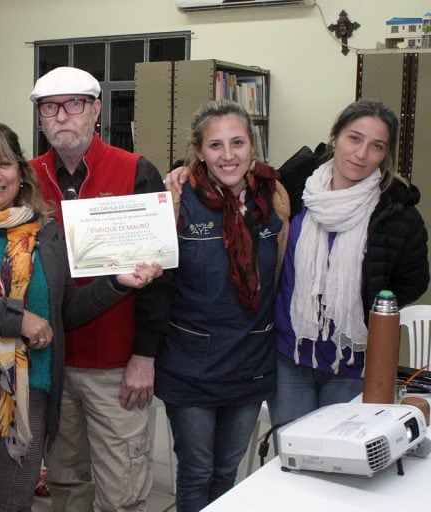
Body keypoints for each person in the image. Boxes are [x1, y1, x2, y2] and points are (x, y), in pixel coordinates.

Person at [0, 66, 170, 511]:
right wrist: (20, 319)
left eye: (74, 104)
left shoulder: (45, 225)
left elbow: (66, 306)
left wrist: (119, 286)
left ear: (96, 111)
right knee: (42, 488)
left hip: (51, 384)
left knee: (88, 493)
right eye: (51, 107)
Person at [155, 100, 289, 512]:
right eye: (215, 145)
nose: (228, 155)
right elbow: (157, 281)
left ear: (254, 145)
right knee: (196, 471)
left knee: (228, 471)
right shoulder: (177, 197)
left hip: (250, 362)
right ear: (199, 151)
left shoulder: (275, 197)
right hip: (190, 363)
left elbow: (280, 275)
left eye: (238, 142)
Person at [270, 99, 429, 427]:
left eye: (376, 146)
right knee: (293, 458)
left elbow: (412, 282)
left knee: (341, 461)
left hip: (354, 363)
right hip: (288, 355)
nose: (361, 154)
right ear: (335, 137)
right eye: (354, 138)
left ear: (386, 154)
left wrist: (364, 304)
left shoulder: (398, 215)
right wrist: (184, 174)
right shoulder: (293, 190)